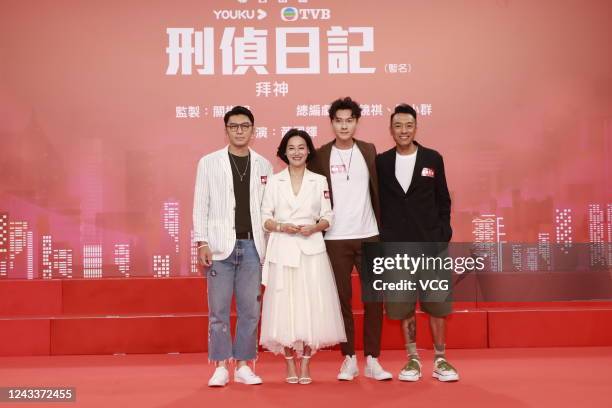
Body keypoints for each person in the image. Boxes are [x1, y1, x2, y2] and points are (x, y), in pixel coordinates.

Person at [308, 97, 392, 381]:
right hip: (334, 238)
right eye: (338, 120)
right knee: (340, 301)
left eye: (349, 120)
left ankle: (372, 359)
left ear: (357, 122)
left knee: (374, 299)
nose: (344, 125)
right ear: (331, 123)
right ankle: (348, 358)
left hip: (370, 236)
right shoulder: (320, 155)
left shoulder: (369, 150)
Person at [376, 103, 459, 382]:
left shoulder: (433, 158)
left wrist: (442, 234)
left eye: (408, 125)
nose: (403, 130)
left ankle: (441, 359)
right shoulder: (382, 162)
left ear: (416, 127)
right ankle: (412, 359)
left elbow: (443, 200)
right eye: (398, 125)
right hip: (396, 248)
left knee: (437, 304)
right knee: (403, 306)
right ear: (391, 129)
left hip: (431, 246)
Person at [193, 106, 273, 387]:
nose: (240, 131)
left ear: (253, 130)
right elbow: (200, 203)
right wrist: (201, 240)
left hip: (252, 246)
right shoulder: (209, 162)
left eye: (245, 126)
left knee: (251, 310)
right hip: (218, 246)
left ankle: (243, 364)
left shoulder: (264, 165)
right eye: (234, 126)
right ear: (226, 129)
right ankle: (220, 365)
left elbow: (267, 209)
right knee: (219, 310)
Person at [259, 129, 346, 385]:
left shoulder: (318, 181)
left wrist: (315, 227)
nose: (296, 152)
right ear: (284, 152)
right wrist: (280, 226)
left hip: (311, 251)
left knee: (310, 307)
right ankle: (289, 365)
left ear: (308, 151)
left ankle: (306, 363)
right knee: (284, 308)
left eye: (301, 147)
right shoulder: (274, 181)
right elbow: (265, 219)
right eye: (291, 148)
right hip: (283, 250)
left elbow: (328, 216)